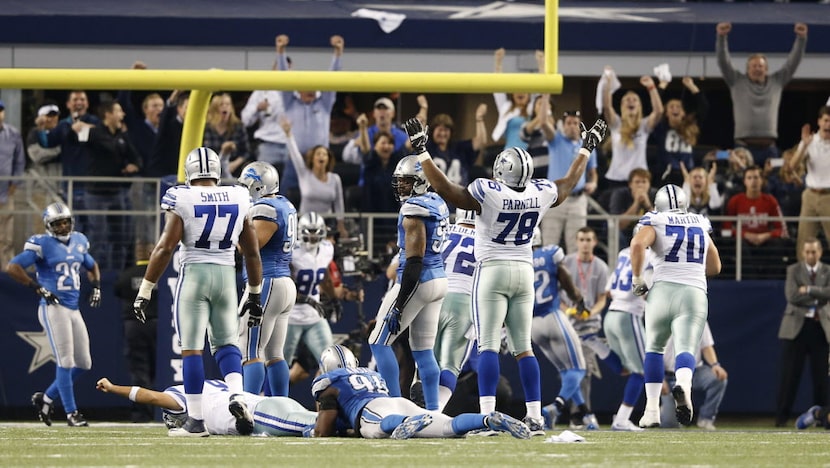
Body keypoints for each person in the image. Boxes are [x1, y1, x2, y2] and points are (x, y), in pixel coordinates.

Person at [406, 114, 608, 434]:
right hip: (524, 272)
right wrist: (586, 148)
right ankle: (536, 416)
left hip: (493, 270)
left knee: (487, 346)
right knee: (523, 348)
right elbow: (568, 184)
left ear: (501, 170)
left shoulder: (489, 192)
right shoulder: (539, 192)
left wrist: (422, 151)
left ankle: (487, 414)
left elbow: (448, 190)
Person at [132, 147, 263, 437]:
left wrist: (146, 288)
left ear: (190, 171)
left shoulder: (182, 196)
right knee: (227, 344)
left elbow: (165, 247)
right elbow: (252, 252)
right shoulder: (239, 195)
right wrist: (254, 291)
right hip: (227, 276)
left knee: (192, 348)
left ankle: (195, 420)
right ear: (217, 170)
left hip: (195, 274)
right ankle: (238, 395)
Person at [630, 184, 722, 428]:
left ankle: (651, 410)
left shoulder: (655, 218)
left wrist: (638, 279)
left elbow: (638, 244)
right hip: (693, 292)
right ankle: (684, 385)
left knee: (654, 348)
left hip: (662, 291)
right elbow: (715, 267)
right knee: (686, 347)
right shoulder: (700, 222)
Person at [5, 202, 102, 427]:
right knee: (66, 361)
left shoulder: (79, 240)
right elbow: (13, 267)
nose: (63, 226)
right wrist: (37, 287)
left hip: (73, 307)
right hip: (53, 308)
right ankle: (71, 413)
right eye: (58, 223)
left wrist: (96, 286)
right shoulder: (42, 244)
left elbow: (92, 264)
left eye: (66, 221)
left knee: (84, 363)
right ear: (49, 225)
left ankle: (46, 398)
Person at [310, 344, 530, 439]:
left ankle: (403, 423)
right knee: (447, 426)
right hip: (398, 402)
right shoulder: (371, 374)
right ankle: (486, 420)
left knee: (374, 430)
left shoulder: (329, 383)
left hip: (375, 409)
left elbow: (323, 430)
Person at [368, 155, 449, 411]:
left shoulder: (414, 209)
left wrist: (399, 305)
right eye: (400, 181)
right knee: (423, 351)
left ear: (421, 181)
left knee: (378, 342)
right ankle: (434, 411)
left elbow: (414, 261)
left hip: (418, 280)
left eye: (406, 181)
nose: (401, 186)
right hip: (439, 279)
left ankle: (395, 407)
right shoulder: (437, 202)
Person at [236, 162, 297, 396]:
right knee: (274, 354)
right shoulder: (284, 204)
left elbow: (250, 248)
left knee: (250, 351)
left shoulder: (266, 208)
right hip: (283, 283)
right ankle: (280, 408)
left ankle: (248, 407)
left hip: (267, 283)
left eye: (248, 185)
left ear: (260, 187)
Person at [529, 228, 597, 431]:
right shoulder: (550, 253)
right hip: (553, 315)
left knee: (567, 371)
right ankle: (555, 407)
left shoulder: (518, 258)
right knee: (578, 369)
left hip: (533, 324)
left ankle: (585, 415)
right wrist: (579, 300)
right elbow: (565, 279)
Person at [716, 22, 808, 166]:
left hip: (769, 148)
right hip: (743, 147)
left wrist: (801, 38)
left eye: (760, 66)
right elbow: (723, 61)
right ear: (747, 69)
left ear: (766, 69)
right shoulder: (736, 81)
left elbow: (793, 62)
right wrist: (721, 37)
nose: (757, 69)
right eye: (754, 66)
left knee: (773, 185)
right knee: (742, 183)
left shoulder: (777, 81)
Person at [95, 377, 316, 436]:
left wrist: (114, 388)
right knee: (320, 421)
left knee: (319, 424)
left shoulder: (180, 396)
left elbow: (151, 397)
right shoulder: (212, 386)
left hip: (263, 415)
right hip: (271, 403)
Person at [277, 33, 344, 206]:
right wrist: (281, 51)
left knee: (324, 201)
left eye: (314, 84)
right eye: (306, 84)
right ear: (298, 87)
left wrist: (337, 54)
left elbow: (334, 80)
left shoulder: (324, 103)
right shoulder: (290, 102)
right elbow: (283, 79)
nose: (311, 88)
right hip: (295, 160)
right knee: (284, 199)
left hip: (320, 160)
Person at [775, 237, 830, 427]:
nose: (810, 255)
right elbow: (792, 296)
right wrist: (818, 296)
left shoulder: (827, 271)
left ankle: (822, 418)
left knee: (822, 377)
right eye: (807, 252)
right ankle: (781, 420)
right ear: (802, 253)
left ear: (820, 252)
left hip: (820, 328)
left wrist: (808, 289)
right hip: (796, 329)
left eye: (814, 252)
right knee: (789, 376)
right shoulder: (793, 270)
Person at [604, 235, 655, 432]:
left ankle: (596, 345)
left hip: (611, 315)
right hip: (628, 316)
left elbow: (609, 290)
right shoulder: (650, 256)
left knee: (626, 368)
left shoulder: (624, 254)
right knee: (642, 370)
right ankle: (622, 420)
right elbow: (641, 290)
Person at [283, 211, 339, 386]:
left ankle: (326, 405)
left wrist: (334, 298)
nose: (313, 236)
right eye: (309, 231)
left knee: (332, 363)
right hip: (290, 317)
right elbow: (286, 287)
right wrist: (308, 300)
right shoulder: (292, 251)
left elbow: (325, 277)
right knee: (279, 366)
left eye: (316, 231)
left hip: (314, 318)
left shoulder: (327, 249)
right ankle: (268, 403)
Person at [434, 208, 477, 411]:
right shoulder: (488, 238)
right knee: (450, 365)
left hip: (433, 296)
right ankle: (434, 413)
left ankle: (416, 412)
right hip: (464, 300)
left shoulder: (442, 231)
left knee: (426, 361)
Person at [540, 109, 598, 254]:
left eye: (575, 123)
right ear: (563, 126)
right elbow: (542, 123)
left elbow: (593, 173)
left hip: (578, 200)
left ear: (580, 126)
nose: (572, 126)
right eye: (569, 123)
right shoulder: (555, 140)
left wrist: (594, 183)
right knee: (549, 244)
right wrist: (546, 94)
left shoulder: (588, 144)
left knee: (576, 248)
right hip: (555, 199)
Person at [113, 242, 158, 422]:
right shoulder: (160, 274)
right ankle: (160, 409)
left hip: (134, 325)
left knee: (140, 369)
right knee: (157, 367)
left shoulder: (127, 275)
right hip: (157, 324)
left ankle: (142, 413)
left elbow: (118, 290)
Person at [282, 119, 348, 239]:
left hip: (327, 222)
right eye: (318, 154)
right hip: (305, 221)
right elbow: (295, 155)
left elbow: (339, 203)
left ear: (328, 159)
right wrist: (288, 134)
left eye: (324, 154)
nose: (321, 156)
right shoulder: (304, 174)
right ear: (312, 159)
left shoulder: (335, 179)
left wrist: (341, 225)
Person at [601, 70, 663, 189]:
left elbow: (659, 111)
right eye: (627, 100)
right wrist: (608, 84)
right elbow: (607, 107)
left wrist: (651, 87)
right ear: (622, 106)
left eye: (635, 100)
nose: (631, 101)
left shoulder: (644, 126)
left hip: (640, 179)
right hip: (617, 179)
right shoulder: (616, 124)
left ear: (639, 106)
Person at [722, 165, 789, 278]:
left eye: (756, 177)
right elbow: (726, 229)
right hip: (744, 240)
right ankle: (749, 280)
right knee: (739, 245)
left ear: (762, 181)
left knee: (777, 244)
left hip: (765, 240)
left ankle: (771, 282)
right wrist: (745, 235)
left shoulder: (770, 201)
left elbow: (782, 229)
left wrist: (766, 235)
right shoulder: (735, 201)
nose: (753, 181)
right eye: (749, 178)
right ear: (744, 181)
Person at [660, 321, 729, 431]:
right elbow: (653, 352)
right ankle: (664, 411)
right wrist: (658, 378)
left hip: (695, 372)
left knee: (718, 379)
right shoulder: (661, 317)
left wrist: (715, 365)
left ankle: (706, 419)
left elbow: (706, 345)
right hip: (668, 376)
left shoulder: (699, 317)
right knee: (670, 424)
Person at [653, 77, 708, 186]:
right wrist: (662, 85)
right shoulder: (661, 128)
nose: (675, 109)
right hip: (665, 174)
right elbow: (655, 108)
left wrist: (692, 86)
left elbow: (704, 107)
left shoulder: (691, 128)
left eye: (679, 107)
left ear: (683, 113)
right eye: (671, 107)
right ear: (666, 113)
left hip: (687, 174)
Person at [791, 106, 830, 257]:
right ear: (819, 121)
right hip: (810, 195)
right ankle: (802, 278)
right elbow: (792, 166)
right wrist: (804, 145)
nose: (828, 125)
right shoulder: (809, 141)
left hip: (829, 196)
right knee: (804, 240)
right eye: (826, 120)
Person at [0, 99, 25, 269]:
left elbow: (19, 161)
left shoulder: (13, 134)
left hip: (5, 193)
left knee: (6, 238)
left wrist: (14, 184)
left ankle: (6, 272)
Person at [203, 93, 251, 179]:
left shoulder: (238, 126)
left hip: (235, 168)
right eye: (221, 104)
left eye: (228, 104)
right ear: (214, 108)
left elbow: (246, 152)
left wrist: (234, 164)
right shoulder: (206, 127)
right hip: (209, 169)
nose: (225, 107)